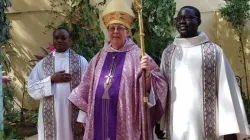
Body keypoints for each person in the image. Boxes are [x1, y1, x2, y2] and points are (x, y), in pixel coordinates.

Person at [68, 0, 168, 139]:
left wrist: (147, 76)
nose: (115, 32)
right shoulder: (98, 58)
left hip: (127, 122)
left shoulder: (139, 56)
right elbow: (86, 89)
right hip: (99, 120)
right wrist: (85, 116)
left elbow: (157, 88)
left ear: (127, 31)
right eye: (111, 28)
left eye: (120, 28)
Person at [159, 6, 250, 140]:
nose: (182, 22)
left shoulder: (213, 51)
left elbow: (227, 91)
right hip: (176, 126)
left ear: (199, 21)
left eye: (188, 18)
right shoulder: (169, 53)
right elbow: (162, 90)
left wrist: (230, 130)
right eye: (179, 18)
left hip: (207, 128)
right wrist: (160, 121)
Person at [27, 27, 88, 140]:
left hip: (72, 112)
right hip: (50, 114)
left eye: (63, 38)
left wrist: (84, 114)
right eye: (56, 38)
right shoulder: (43, 64)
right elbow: (31, 87)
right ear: (53, 40)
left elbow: (88, 88)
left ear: (70, 41)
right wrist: (52, 79)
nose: (59, 40)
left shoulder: (81, 62)